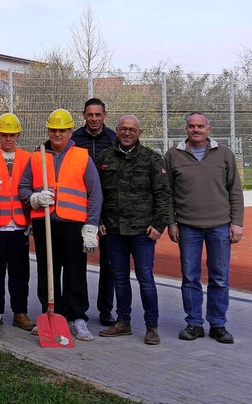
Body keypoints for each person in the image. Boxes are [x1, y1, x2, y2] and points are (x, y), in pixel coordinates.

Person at [18, 108, 102, 341]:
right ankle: (51, 313)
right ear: (48, 130)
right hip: (45, 225)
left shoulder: (82, 157)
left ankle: (77, 317)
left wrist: (91, 226)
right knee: (48, 271)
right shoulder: (37, 156)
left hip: (73, 226)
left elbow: (95, 194)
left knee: (75, 272)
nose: (57, 134)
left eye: (61, 130)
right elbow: (23, 187)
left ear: (69, 131)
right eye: (53, 130)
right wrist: (34, 198)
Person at [165, 112, 244, 344]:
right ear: (186, 129)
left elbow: (235, 191)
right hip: (187, 226)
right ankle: (194, 324)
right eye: (192, 126)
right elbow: (166, 193)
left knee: (219, 277)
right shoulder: (173, 155)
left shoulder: (224, 154)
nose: (196, 130)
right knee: (190, 277)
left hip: (220, 225)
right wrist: (171, 222)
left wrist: (237, 223)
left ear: (209, 129)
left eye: (200, 126)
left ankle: (218, 324)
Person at [95, 115, 170, 345]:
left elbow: (163, 195)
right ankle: (123, 321)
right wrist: (98, 221)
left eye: (132, 130)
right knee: (119, 278)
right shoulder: (104, 158)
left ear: (140, 133)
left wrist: (159, 225)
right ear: (116, 131)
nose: (127, 133)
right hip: (114, 231)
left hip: (142, 232)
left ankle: (151, 326)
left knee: (145, 278)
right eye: (123, 129)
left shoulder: (152, 159)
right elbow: (96, 194)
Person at [0, 113, 34, 331]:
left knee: (20, 272)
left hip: (20, 225)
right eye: (4, 135)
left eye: (12, 135)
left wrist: (31, 219)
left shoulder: (28, 158)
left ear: (18, 135)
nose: (8, 139)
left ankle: (20, 312)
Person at [72, 97, 117, 327]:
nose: (94, 119)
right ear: (84, 115)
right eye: (90, 114)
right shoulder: (73, 139)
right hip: (78, 206)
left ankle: (106, 309)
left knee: (108, 263)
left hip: (108, 209)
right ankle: (75, 308)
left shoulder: (113, 139)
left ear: (105, 116)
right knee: (76, 261)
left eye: (98, 114)